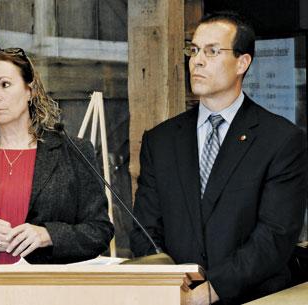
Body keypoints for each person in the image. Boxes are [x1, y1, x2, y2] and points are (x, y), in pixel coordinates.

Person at [130, 11, 307, 305]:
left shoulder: (281, 140)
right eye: (194, 50)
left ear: (242, 62)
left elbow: (275, 235)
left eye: (212, 51)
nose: (197, 60)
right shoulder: (160, 140)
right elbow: (144, 229)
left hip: (254, 297)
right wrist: (172, 285)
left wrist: (213, 289)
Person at [0, 48, 113, 270]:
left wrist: (48, 235)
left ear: (30, 90)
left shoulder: (73, 152)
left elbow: (100, 231)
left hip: (53, 292)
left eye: (4, 84)